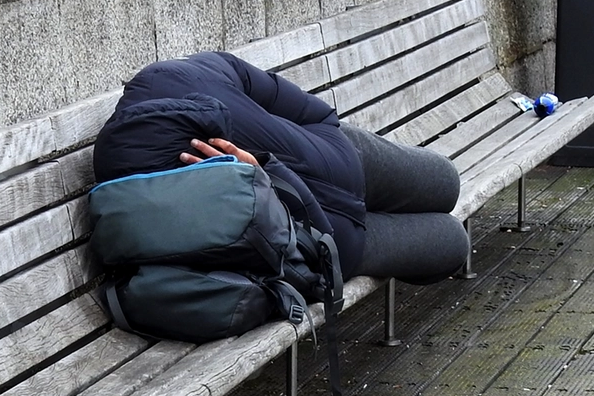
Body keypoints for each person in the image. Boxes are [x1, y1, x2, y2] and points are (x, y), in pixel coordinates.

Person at [92, 51, 471, 285]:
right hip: (332, 244)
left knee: (446, 181)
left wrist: (317, 134)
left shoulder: (181, 77)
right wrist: (264, 175)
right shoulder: (154, 193)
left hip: (347, 160)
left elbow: (299, 104)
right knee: (452, 241)